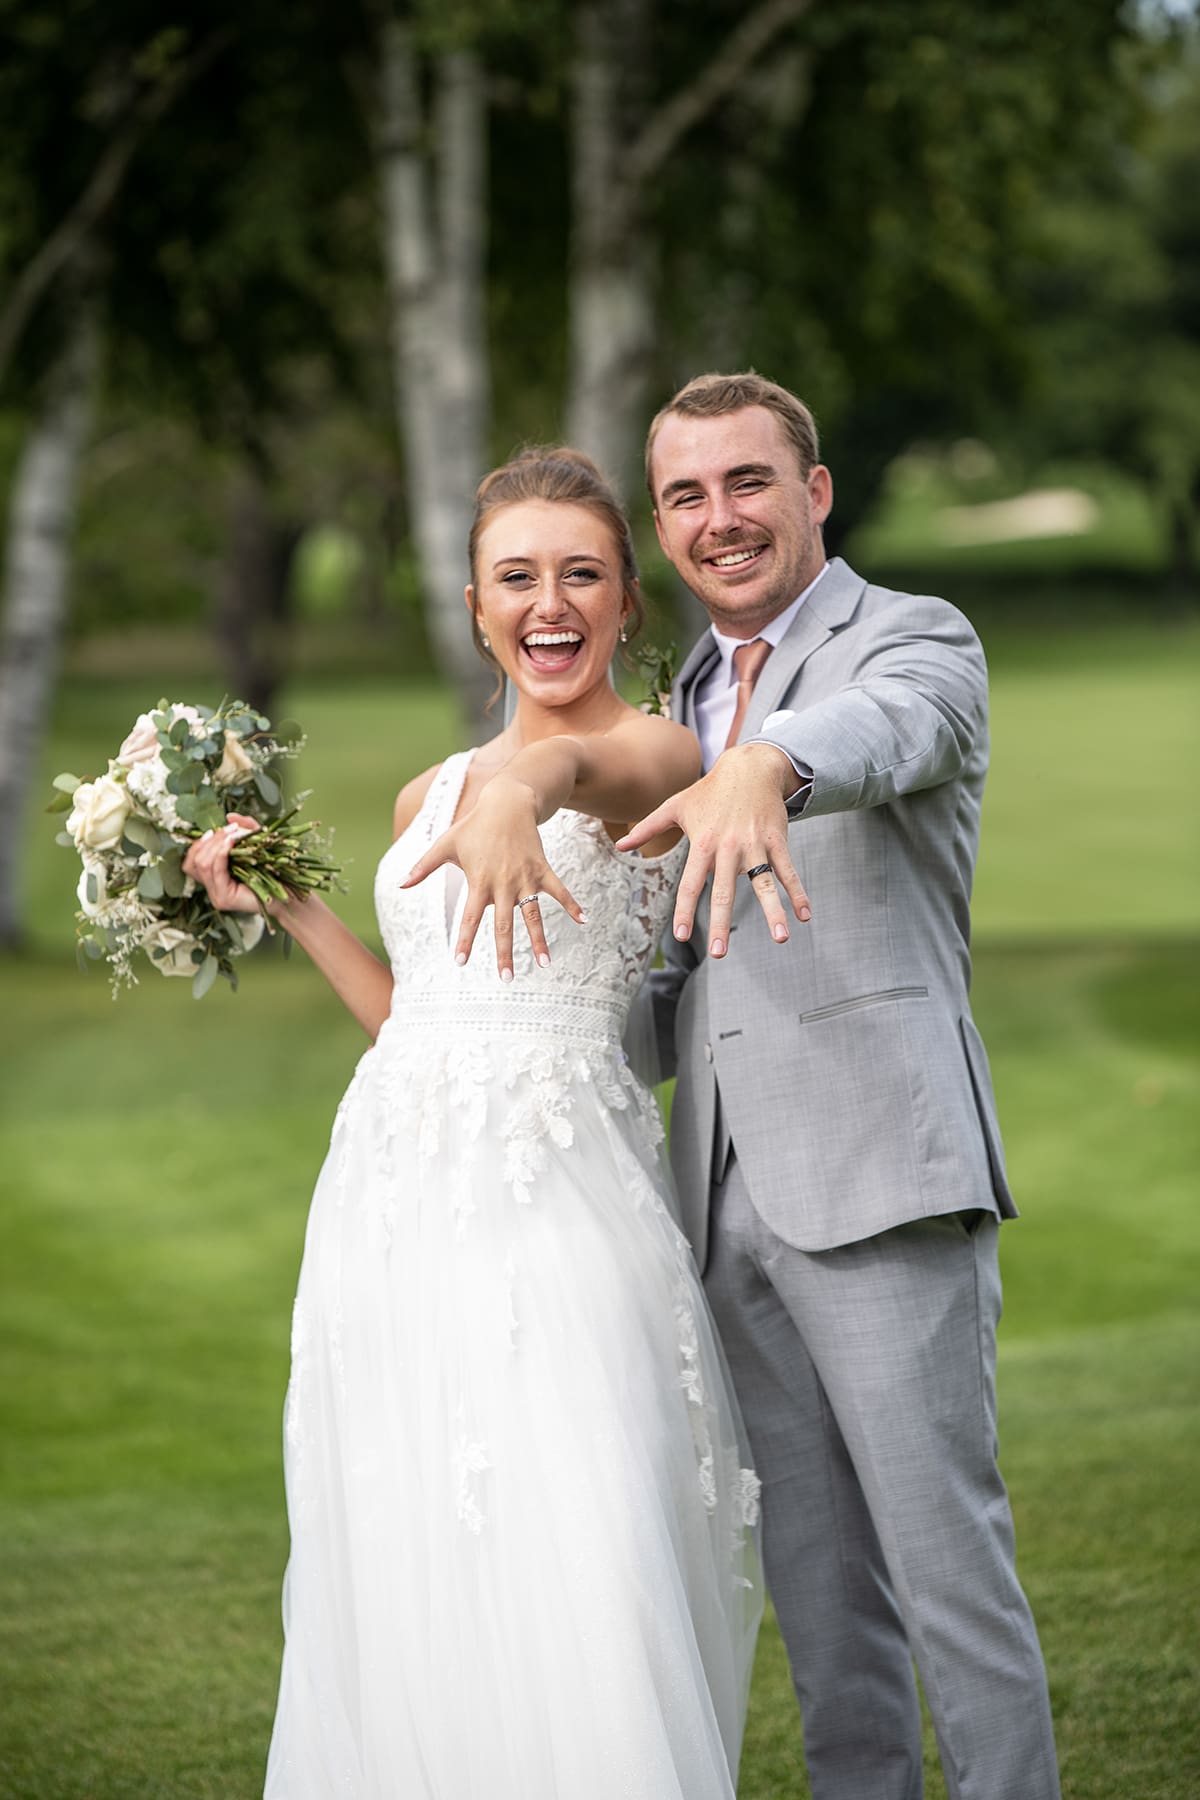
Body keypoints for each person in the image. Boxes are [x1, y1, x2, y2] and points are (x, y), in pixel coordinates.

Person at [183, 445, 762, 1800]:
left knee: (566, 1531)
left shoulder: (656, 753)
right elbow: (414, 1015)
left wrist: (523, 789)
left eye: (582, 574)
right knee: (412, 1540)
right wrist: (289, 903)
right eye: (519, 577)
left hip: (558, 1201)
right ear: (474, 604)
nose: (548, 602)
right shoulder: (426, 797)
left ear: (628, 600)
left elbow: (580, 787)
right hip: (392, 1205)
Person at [609, 371, 1061, 1800]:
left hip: (880, 1176)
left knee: (949, 1581)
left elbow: (894, 729)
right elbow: (679, 976)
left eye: (749, 482)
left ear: (814, 491)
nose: (719, 518)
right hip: (724, 1204)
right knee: (823, 1606)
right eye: (686, 494)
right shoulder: (681, 693)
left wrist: (773, 764)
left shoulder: (916, 639)